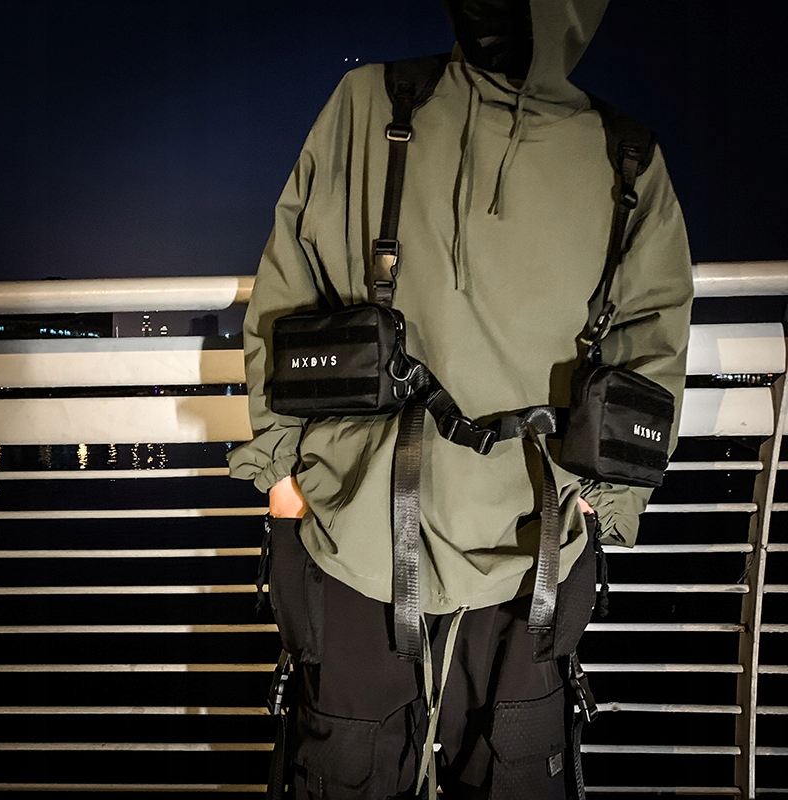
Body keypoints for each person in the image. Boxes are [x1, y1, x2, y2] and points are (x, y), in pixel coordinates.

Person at [228, 1, 693, 797]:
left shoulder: (629, 159)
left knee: (518, 771)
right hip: (354, 525)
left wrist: (606, 504)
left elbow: (652, 340)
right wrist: (281, 477)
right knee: (341, 768)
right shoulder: (370, 103)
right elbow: (287, 286)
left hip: (530, 549)